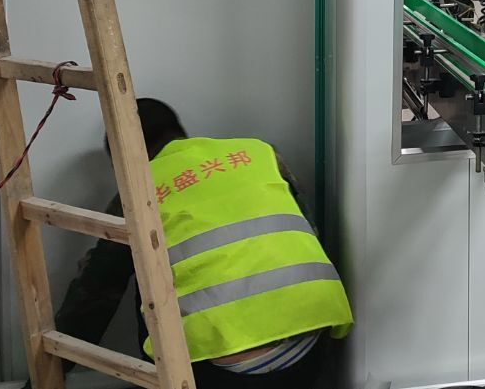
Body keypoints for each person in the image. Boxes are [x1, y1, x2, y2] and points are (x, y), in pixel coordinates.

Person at [39, 99, 351, 388]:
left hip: (225, 373)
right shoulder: (259, 153)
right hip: (314, 346)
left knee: (146, 277)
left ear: (121, 159)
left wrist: (46, 375)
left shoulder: (137, 191)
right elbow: (308, 230)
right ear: (179, 133)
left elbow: (95, 296)